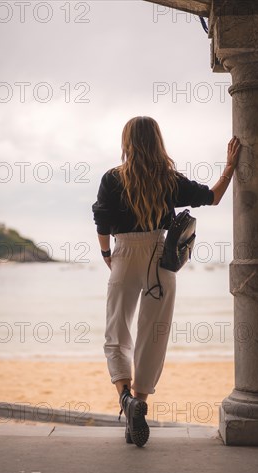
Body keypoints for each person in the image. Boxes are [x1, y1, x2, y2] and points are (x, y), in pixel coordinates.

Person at [92, 116, 241, 447]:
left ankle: (126, 401)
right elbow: (212, 197)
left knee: (117, 333)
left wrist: (106, 254)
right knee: (153, 334)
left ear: (127, 141)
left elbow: (101, 220)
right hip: (162, 255)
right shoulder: (168, 180)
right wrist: (229, 166)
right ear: (157, 141)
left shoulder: (112, 179)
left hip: (125, 252)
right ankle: (140, 403)